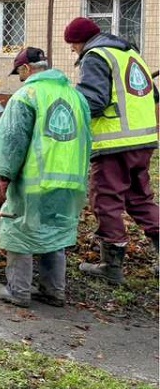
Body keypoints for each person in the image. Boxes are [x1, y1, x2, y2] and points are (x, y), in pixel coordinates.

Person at [0, 47, 92, 308]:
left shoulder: (27, 95)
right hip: (71, 180)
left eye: (19, 73)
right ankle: (54, 291)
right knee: (55, 231)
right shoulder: (76, 97)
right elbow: (87, 138)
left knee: (20, 227)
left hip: (36, 180)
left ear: (26, 69)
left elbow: (13, 141)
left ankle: (18, 291)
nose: (19, 78)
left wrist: (3, 177)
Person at [64, 16, 159, 283]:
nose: (73, 51)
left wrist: (67, 110)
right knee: (140, 199)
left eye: (72, 46)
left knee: (106, 201)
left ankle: (112, 267)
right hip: (144, 140)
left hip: (114, 143)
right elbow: (154, 96)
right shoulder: (130, 55)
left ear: (79, 41)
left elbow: (93, 100)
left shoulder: (95, 56)